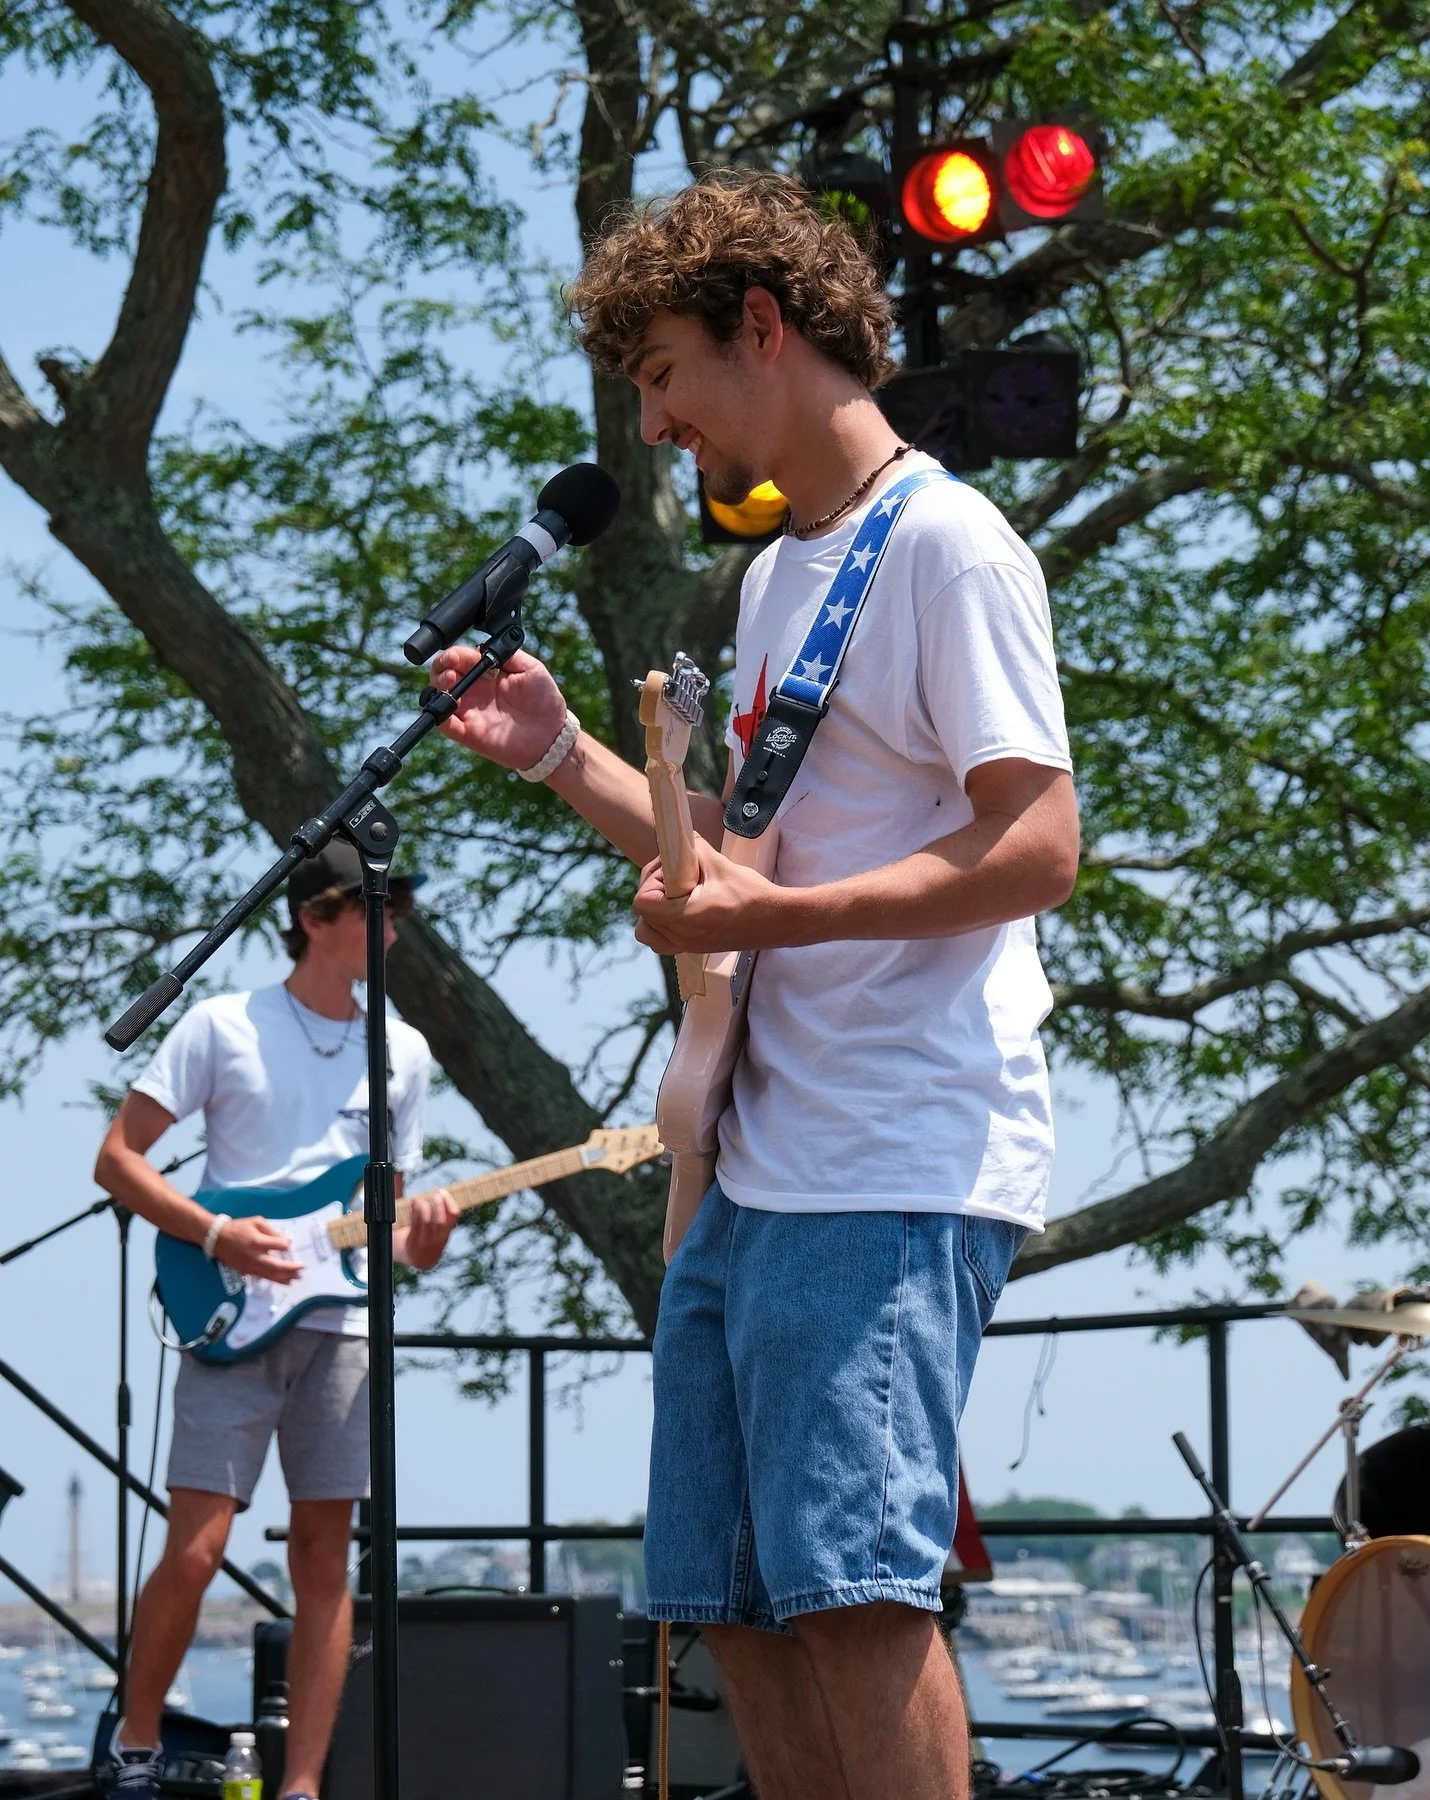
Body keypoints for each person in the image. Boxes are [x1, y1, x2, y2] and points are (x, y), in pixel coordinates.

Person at [433, 170, 1079, 1800]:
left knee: (854, 1598)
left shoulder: (949, 545)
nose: (653, 421)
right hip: (754, 1155)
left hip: (893, 1145)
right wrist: (566, 752)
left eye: (660, 372)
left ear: (764, 328)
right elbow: (744, 858)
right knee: (734, 1608)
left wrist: (773, 926)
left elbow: (1039, 842)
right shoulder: (787, 571)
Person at [92, 841, 458, 1800]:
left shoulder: (406, 1051)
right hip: (228, 1315)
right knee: (198, 1547)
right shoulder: (222, 1024)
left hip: (342, 1322)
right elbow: (117, 1160)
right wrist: (215, 1233)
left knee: (325, 1559)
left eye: (398, 911)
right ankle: (134, 1741)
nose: (391, 928)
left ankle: (302, 1785)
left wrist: (426, 1241)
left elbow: (394, 1233)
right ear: (314, 917)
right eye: (373, 909)